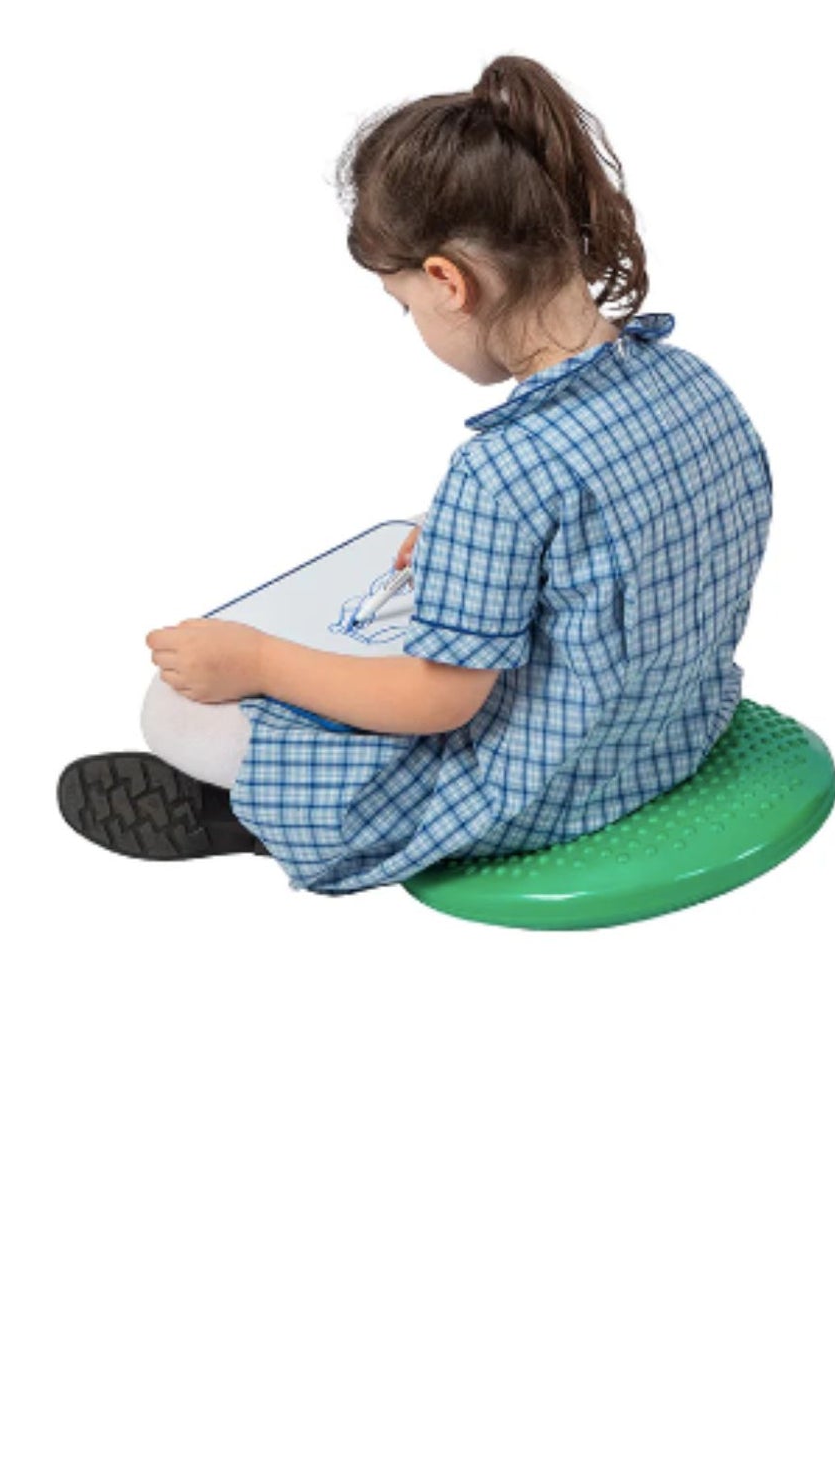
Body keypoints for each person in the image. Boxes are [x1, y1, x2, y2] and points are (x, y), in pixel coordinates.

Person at [57, 56, 773, 894]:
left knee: (177, 713)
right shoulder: (694, 380)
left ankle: (251, 820)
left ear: (447, 282)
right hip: (675, 730)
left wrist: (257, 662)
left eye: (405, 307)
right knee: (402, 568)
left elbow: (440, 702)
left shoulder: (504, 469)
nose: (413, 324)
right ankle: (268, 804)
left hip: (556, 786)